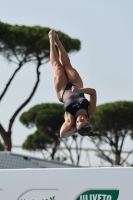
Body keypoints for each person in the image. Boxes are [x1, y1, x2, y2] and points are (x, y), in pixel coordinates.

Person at [48, 30, 99, 138]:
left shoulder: (70, 120)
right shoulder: (90, 111)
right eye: (82, 121)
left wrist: (76, 130)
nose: (79, 119)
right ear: (87, 121)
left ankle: (51, 40)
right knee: (67, 65)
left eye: (78, 122)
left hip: (63, 91)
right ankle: (58, 41)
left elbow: (62, 134)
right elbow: (93, 92)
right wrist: (80, 91)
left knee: (57, 66)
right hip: (77, 86)